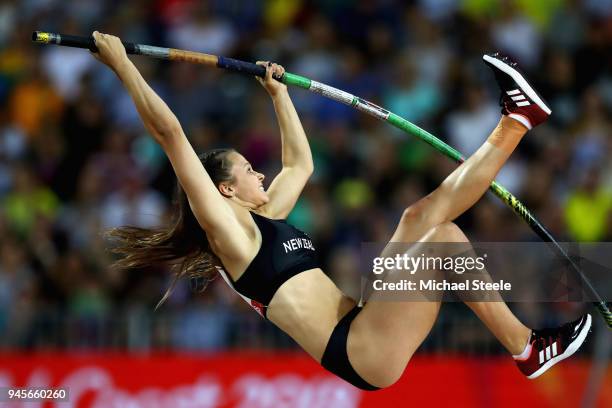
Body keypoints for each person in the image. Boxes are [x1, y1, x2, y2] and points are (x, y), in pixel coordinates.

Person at [91, 32, 592, 390]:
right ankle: (526, 348)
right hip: (359, 350)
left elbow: (300, 165)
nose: (259, 175)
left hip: (363, 320)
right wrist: (122, 65)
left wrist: (279, 95)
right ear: (224, 189)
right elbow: (170, 134)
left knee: (420, 218)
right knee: (444, 242)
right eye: (247, 170)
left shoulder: (261, 222)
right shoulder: (232, 236)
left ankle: (517, 121)